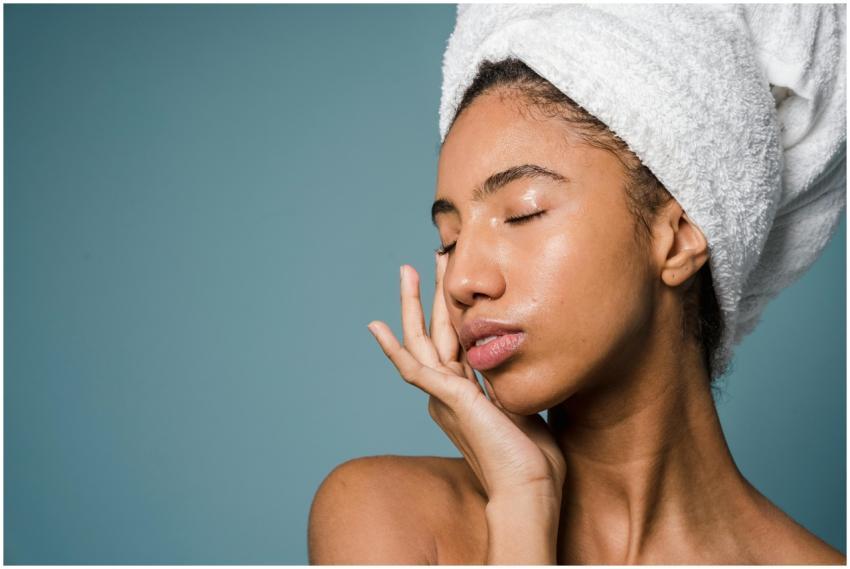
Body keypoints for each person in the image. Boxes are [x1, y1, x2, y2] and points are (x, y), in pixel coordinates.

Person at [308, 5, 846, 565]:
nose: (463, 280)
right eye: (450, 240)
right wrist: (524, 502)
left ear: (681, 236)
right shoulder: (389, 516)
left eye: (522, 213)